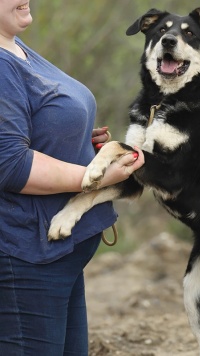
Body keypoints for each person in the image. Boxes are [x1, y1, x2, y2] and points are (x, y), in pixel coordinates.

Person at [0, 1, 144, 355]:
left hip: (60, 257)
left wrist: (74, 139)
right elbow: (11, 164)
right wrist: (96, 176)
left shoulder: (14, 47)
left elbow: (30, 126)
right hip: (28, 260)